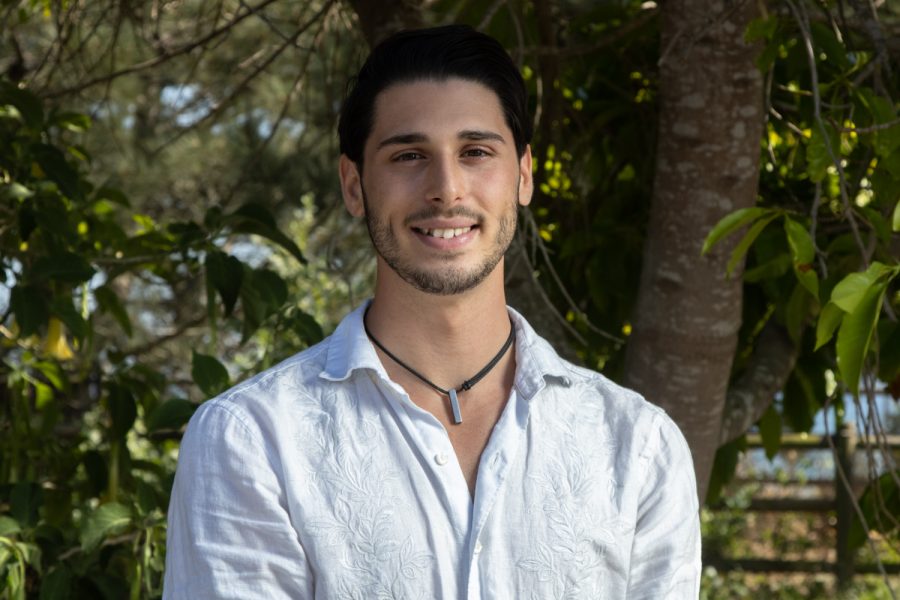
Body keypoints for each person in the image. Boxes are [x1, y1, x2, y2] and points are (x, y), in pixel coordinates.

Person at [164, 24, 701, 599]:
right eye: (409, 155)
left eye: (475, 152)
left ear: (523, 175)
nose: (446, 188)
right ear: (353, 185)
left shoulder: (636, 445)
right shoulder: (254, 441)